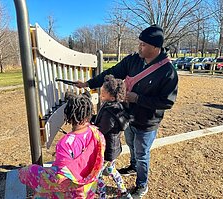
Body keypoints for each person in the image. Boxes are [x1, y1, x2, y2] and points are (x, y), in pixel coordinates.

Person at [76, 24, 178, 198]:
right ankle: (133, 166)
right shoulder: (133, 60)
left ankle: (142, 184)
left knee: (142, 153)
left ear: (155, 47)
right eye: (139, 43)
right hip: (128, 116)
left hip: (148, 122)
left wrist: (137, 98)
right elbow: (112, 73)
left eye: (143, 44)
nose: (139, 47)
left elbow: (167, 102)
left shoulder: (168, 72)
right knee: (131, 145)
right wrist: (88, 84)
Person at [18, 92, 106, 198]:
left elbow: (60, 178)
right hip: (89, 187)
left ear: (68, 115)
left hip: (73, 191)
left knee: (31, 170)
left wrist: (33, 172)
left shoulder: (66, 143)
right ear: (89, 113)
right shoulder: (97, 134)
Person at [92, 75, 132, 199]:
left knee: (97, 176)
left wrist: (90, 128)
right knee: (111, 170)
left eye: (103, 95)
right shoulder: (113, 106)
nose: (100, 96)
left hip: (107, 151)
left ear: (112, 97)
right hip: (114, 149)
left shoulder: (111, 113)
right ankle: (124, 192)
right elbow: (100, 120)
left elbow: (101, 130)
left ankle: (102, 196)